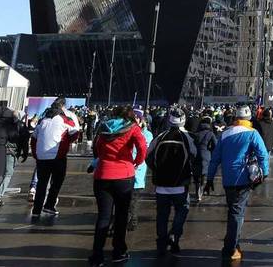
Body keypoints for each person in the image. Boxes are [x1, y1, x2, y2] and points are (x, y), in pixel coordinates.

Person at [208, 106, 270, 261]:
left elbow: (215, 158)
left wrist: (209, 178)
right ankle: (231, 248)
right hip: (243, 178)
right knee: (237, 213)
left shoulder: (225, 134)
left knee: (233, 211)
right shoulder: (252, 134)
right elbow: (263, 154)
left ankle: (233, 242)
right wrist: (265, 172)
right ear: (249, 120)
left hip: (227, 179)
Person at [88, 107, 147, 267]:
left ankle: (97, 255)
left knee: (103, 216)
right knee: (121, 215)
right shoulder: (132, 128)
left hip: (102, 175)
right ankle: (118, 251)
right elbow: (142, 148)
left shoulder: (104, 127)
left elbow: (97, 148)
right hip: (124, 174)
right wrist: (137, 162)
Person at [147, 107, 197, 256]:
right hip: (180, 184)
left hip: (161, 184)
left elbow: (148, 156)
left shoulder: (161, 136)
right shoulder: (188, 137)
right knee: (182, 210)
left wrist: (157, 170)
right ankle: (175, 236)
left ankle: (161, 240)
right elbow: (194, 156)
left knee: (162, 214)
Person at [31, 101, 80, 217]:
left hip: (41, 157)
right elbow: (75, 133)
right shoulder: (65, 119)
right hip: (57, 156)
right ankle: (49, 205)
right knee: (57, 181)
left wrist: (36, 154)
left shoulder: (43, 120)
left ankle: (36, 209)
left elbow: (34, 138)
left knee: (42, 183)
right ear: (62, 109)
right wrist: (68, 141)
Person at [191, 114, 217, 204]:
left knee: (196, 175)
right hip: (206, 155)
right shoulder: (210, 133)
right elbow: (215, 146)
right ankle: (201, 191)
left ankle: (197, 190)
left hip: (196, 156)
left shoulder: (195, 134)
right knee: (203, 175)